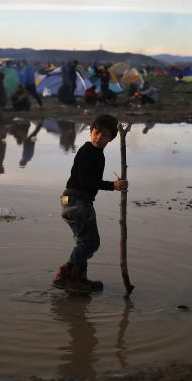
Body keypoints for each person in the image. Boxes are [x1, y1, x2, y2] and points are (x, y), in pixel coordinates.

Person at [52, 114, 128, 294]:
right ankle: (67, 275)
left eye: (105, 135)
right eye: (96, 133)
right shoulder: (86, 151)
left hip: (75, 200)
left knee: (83, 241)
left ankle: (78, 279)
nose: (99, 138)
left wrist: (112, 184)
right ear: (90, 132)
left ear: (112, 138)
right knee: (91, 242)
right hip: (75, 200)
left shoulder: (97, 154)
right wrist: (112, 185)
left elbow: (90, 180)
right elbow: (86, 180)